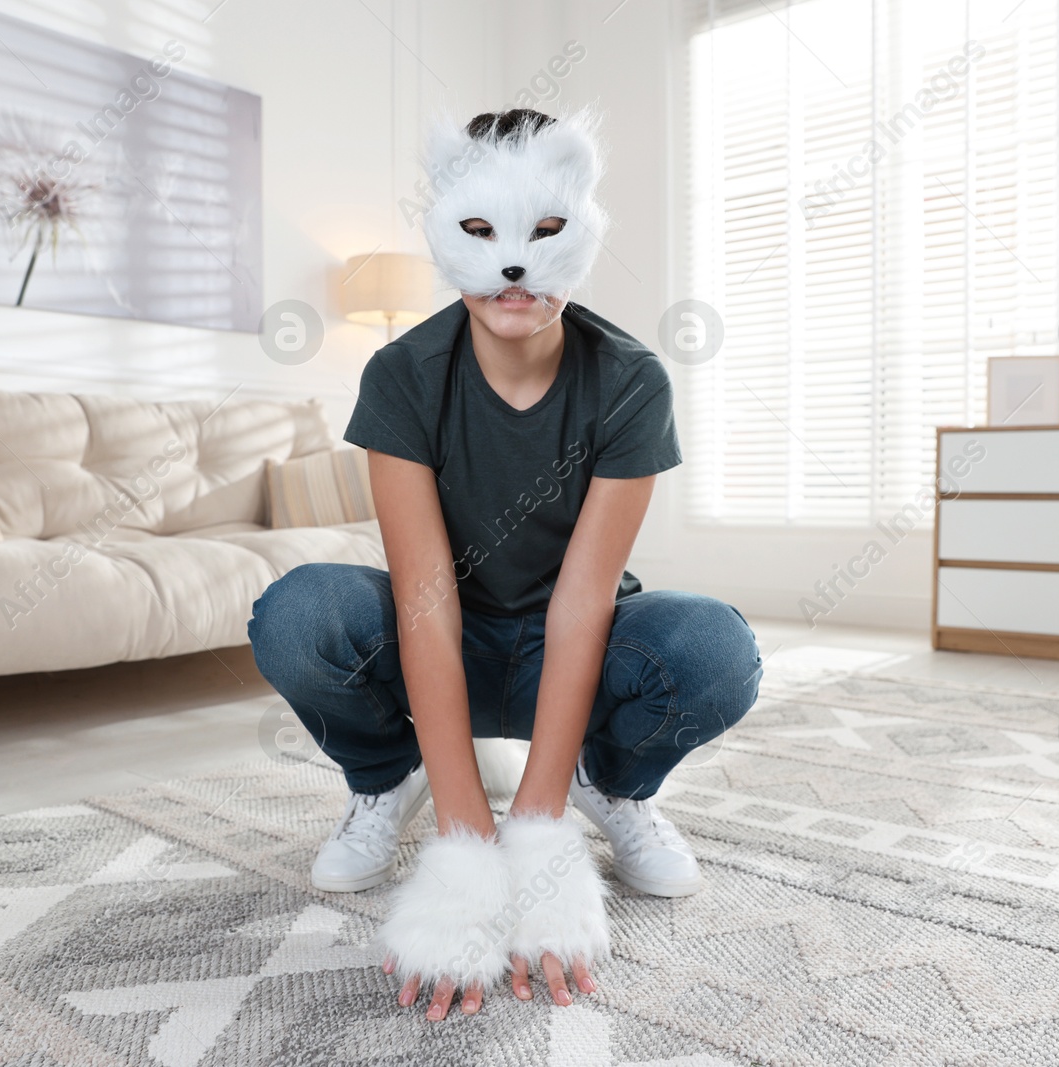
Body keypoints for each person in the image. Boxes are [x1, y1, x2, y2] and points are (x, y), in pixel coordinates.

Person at [248, 105, 761, 1022]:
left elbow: (583, 601)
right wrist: (465, 836)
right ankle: (389, 774)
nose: (512, 265)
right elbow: (424, 597)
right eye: (481, 231)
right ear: (448, 234)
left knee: (715, 650)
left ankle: (613, 782)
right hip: (442, 636)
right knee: (295, 613)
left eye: (543, 231)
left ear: (582, 232)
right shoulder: (403, 374)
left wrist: (536, 832)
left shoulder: (632, 380)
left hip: (579, 641)